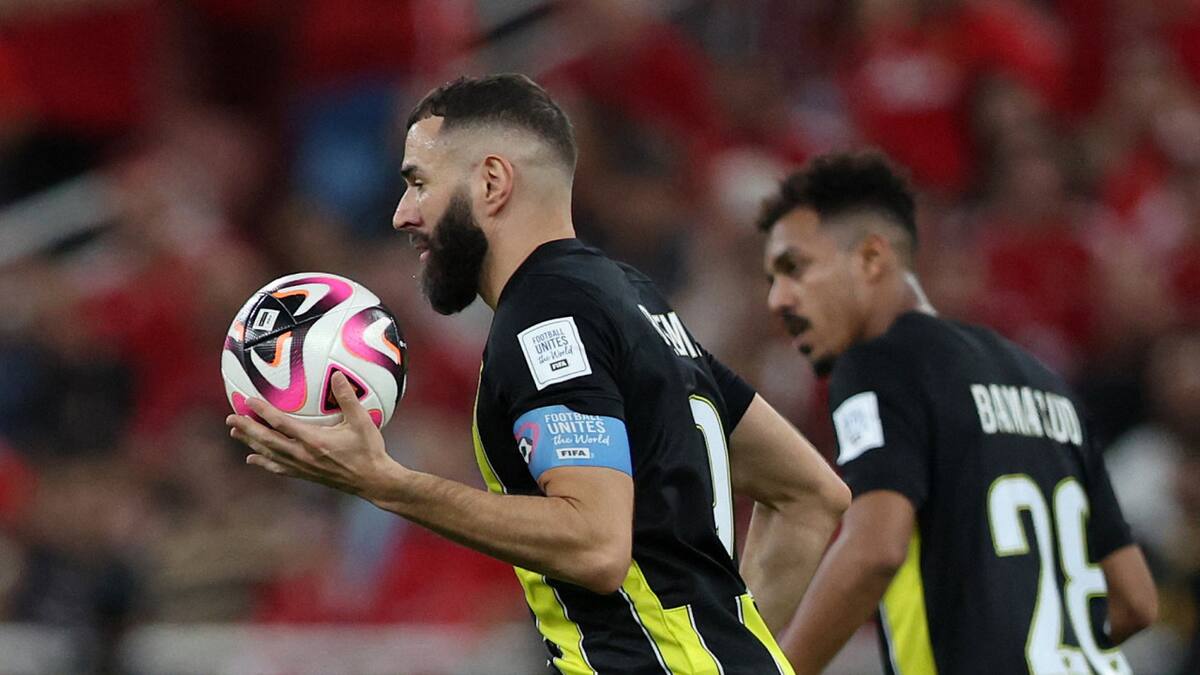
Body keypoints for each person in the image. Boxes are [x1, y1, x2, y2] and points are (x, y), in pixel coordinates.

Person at [226, 73, 850, 674]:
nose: (401, 214)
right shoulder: (631, 299)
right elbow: (810, 495)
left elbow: (596, 544)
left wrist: (385, 484)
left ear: (492, 182)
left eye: (418, 183)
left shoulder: (547, 315)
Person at [757, 152, 1159, 675]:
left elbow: (875, 549)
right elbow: (1136, 600)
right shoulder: (1045, 382)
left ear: (872, 260)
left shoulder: (880, 363)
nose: (778, 299)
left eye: (795, 269)